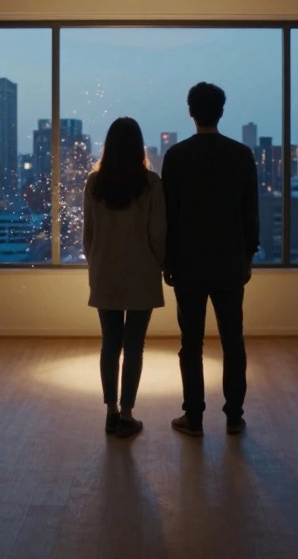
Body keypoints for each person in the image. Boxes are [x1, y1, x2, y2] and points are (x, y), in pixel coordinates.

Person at [161, 82, 258, 437]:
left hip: (188, 263)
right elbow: (251, 214)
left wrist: (167, 261)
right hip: (230, 261)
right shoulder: (241, 155)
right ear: (221, 111)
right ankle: (234, 416)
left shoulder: (176, 156)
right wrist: (248, 256)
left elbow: (168, 215)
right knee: (233, 341)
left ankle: (195, 417)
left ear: (191, 112)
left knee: (191, 344)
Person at [84, 117, 166, 438]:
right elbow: (158, 233)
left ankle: (111, 413)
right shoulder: (151, 183)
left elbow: (88, 237)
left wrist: (96, 266)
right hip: (142, 273)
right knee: (134, 346)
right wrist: (162, 265)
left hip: (106, 273)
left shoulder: (95, 183)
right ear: (139, 146)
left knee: (110, 345)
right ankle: (128, 415)